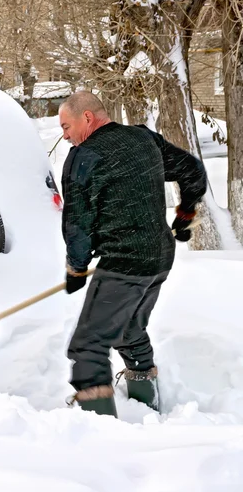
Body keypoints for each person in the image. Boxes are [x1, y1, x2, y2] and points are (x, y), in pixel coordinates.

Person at [59, 91, 207, 417]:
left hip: (125, 263)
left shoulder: (82, 157)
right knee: (128, 331)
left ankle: (101, 433)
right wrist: (184, 214)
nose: (65, 135)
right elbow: (192, 170)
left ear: (87, 117)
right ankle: (148, 410)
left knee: (87, 346)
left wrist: (76, 269)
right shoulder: (143, 139)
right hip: (159, 257)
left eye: (66, 126)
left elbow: (77, 226)